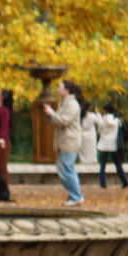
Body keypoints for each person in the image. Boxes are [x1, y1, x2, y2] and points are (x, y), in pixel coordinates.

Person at [43, 77, 85, 206]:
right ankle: (74, 196)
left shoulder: (72, 104)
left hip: (69, 142)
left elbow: (64, 121)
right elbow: (59, 120)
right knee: (65, 169)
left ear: (66, 90)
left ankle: (76, 196)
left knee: (66, 169)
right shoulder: (65, 103)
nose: (57, 89)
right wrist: (50, 114)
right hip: (64, 142)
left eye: (59, 87)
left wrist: (52, 113)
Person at [96, 104, 128, 189]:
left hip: (104, 144)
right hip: (114, 145)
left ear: (105, 111)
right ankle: (124, 180)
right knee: (118, 164)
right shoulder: (117, 121)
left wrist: (98, 115)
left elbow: (99, 131)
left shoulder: (103, 120)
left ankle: (103, 183)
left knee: (103, 165)